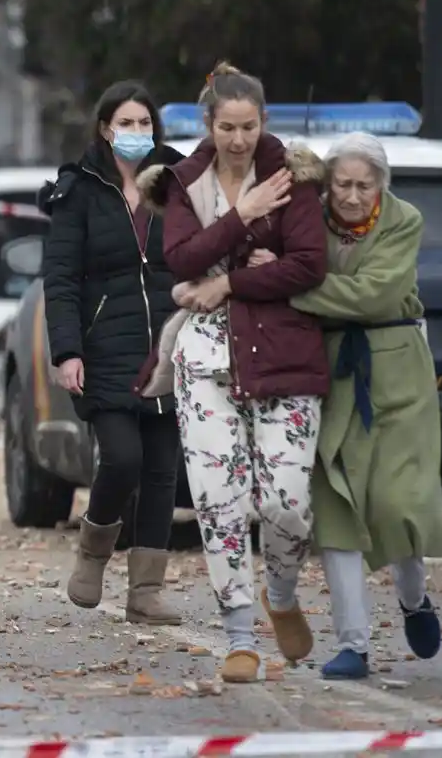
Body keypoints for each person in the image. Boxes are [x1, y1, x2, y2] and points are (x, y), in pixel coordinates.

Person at [135, 61, 330, 684]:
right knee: (219, 502)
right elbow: (179, 258)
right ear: (208, 124)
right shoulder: (183, 181)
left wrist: (227, 282)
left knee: (287, 502)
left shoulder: (294, 177)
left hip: (283, 355)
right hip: (207, 362)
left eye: (249, 127)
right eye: (227, 127)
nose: (239, 139)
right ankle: (241, 635)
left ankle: (280, 592)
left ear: (263, 122)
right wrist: (242, 218)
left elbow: (308, 266)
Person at [263, 133, 442, 680]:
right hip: (328, 372)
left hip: (398, 377)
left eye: (364, 184)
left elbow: (376, 296)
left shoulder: (404, 219)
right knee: (337, 508)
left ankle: (414, 600)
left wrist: (292, 287)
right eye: (341, 183)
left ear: (381, 187)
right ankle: (354, 645)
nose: (351, 194)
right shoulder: (307, 218)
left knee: (397, 504)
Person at [42, 81, 187, 624]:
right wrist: (67, 352)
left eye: (143, 123)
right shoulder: (79, 189)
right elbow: (60, 279)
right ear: (105, 128)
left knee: (161, 471)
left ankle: (145, 591)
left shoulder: (178, 182)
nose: (135, 133)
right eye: (124, 123)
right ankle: (93, 551)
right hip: (105, 348)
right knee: (123, 459)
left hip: (170, 346)